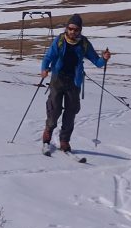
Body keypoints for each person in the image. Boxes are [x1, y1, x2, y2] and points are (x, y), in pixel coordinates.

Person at [40, 14, 110, 152]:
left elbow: (97, 62)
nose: (73, 32)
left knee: (71, 112)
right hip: (58, 79)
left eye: (76, 29)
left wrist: (104, 58)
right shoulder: (60, 40)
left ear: (80, 30)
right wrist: (44, 69)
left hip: (74, 81)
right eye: (70, 28)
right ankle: (48, 132)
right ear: (67, 28)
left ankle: (64, 141)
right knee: (55, 109)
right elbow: (48, 56)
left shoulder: (84, 43)